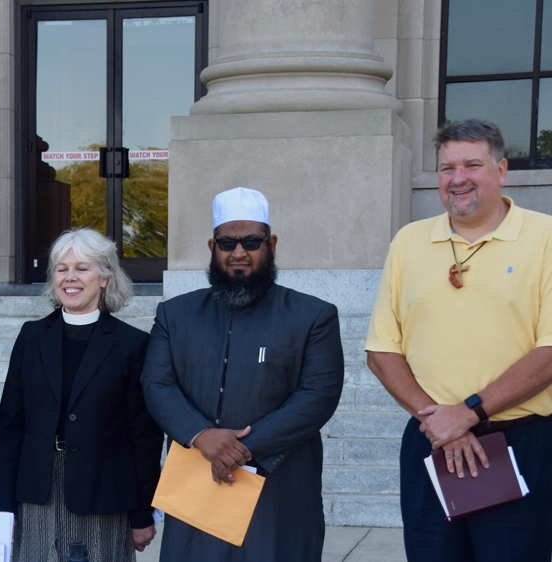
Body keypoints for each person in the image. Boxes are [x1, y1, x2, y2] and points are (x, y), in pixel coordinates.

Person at [366, 118, 552, 561]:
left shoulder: (546, 237)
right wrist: (441, 424)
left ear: (502, 170)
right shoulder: (409, 242)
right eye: (447, 168)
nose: (458, 179)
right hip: (430, 443)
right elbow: (381, 350)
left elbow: (549, 353)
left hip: (517, 442)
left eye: (472, 164)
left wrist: (469, 413)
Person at [140, 187, 344, 561]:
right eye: (227, 242)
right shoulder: (175, 315)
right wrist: (202, 435)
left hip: (278, 486)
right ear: (211, 247)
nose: (238, 253)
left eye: (251, 242)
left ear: (272, 244)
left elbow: (318, 395)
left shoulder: (312, 316)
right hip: (197, 483)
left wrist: (241, 448)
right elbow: (157, 384)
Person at [0, 228, 163, 561]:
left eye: (82, 268)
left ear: (104, 277)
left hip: (104, 494)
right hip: (38, 491)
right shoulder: (32, 337)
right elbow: (10, 427)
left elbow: (144, 437)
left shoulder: (132, 345)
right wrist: (2, 509)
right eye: (62, 268)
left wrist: (143, 513)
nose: (70, 277)